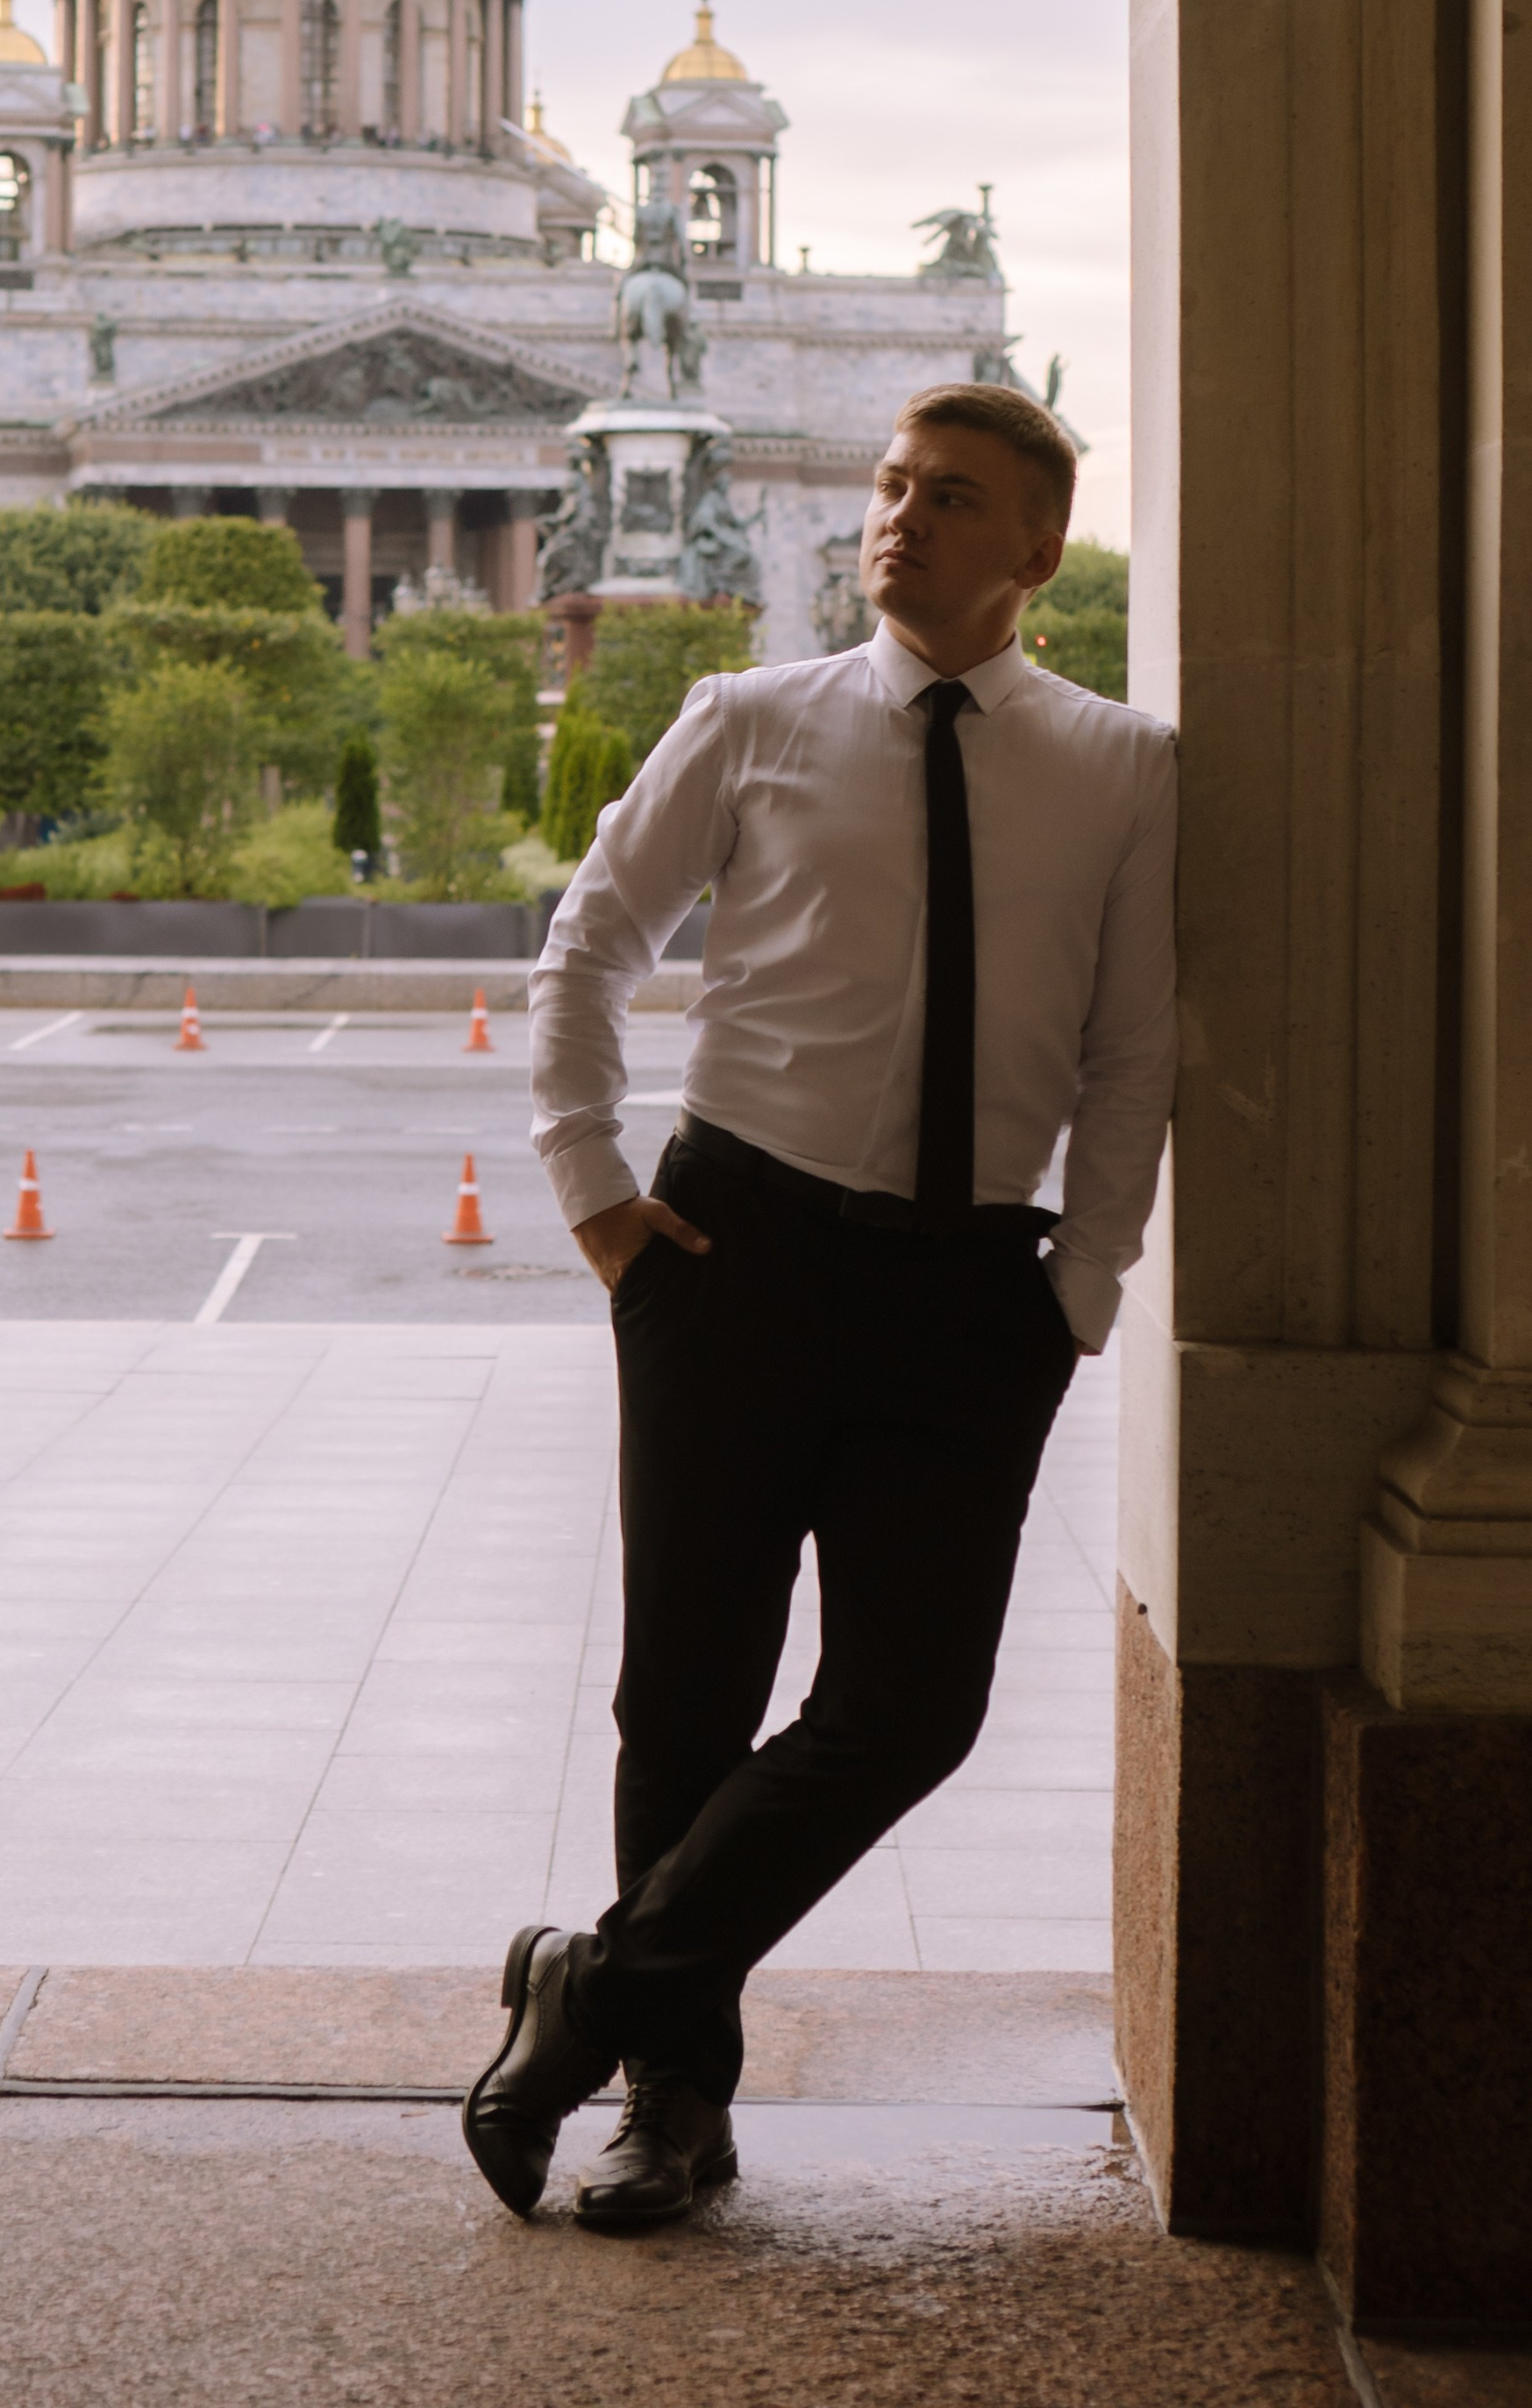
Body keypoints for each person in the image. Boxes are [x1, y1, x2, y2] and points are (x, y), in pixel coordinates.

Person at [462, 381, 1176, 2233]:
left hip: (969, 1296)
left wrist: (1078, 1293)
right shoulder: (750, 720)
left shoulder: (1117, 767)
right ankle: (668, 2112)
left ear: (1034, 550)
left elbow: (1129, 1050)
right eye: (886, 486)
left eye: (947, 498)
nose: (897, 518)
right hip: (732, 1257)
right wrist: (591, 1191)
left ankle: (592, 1981)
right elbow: (588, 943)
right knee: (683, 1693)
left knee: (908, 1708)